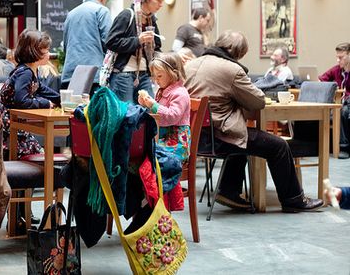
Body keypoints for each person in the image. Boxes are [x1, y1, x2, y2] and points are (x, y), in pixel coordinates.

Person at [184, 30, 322, 212]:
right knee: (278, 146)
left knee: (243, 136)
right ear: (237, 52)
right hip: (219, 137)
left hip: (194, 137)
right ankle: (294, 200)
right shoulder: (231, 69)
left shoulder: (190, 65)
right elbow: (257, 101)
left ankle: (228, 190)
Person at [0, 29, 60, 159]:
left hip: (13, 118)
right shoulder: (25, 73)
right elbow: (22, 101)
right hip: (8, 121)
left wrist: (61, 99)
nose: (49, 54)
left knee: (35, 151)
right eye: (46, 50)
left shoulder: (30, 70)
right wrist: (46, 103)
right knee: (34, 153)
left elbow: (41, 88)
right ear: (34, 52)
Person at [105, 0, 165, 103]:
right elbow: (111, 42)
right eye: (158, 1)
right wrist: (138, 40)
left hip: (144, 73)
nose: (161, 5)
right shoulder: (127, 15)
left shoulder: (151, 19)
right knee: (127, 114)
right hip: (123, 74)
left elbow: (157, 45)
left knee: (150, 111)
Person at [138, 52, 191, 162]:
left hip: (176, 144)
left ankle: (157, 179)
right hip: (161, 139)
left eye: (160, 76)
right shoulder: (162, 91)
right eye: (154, 76)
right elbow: (158, 115)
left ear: (173, 74)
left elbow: (172, 116)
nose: (156, 80)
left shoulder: (180, 93)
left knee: (147, 159)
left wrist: (153, 104)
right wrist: (146, 104)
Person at [62, 0, 112, 89]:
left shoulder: (71, 13)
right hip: (93, 74)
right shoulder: (102, 11)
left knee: (73, 105)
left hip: (71, 73)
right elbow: (108, 42)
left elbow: (65, 45)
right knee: (92, 106)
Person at [319, 42, 350, 159]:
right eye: (337, 57)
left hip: (347, 104)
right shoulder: (337, 70)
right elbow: (321, 79)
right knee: (327, 110)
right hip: (340, 103)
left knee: (343, 110)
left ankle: (344, 147)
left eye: (341, 57)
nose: (338, 60)